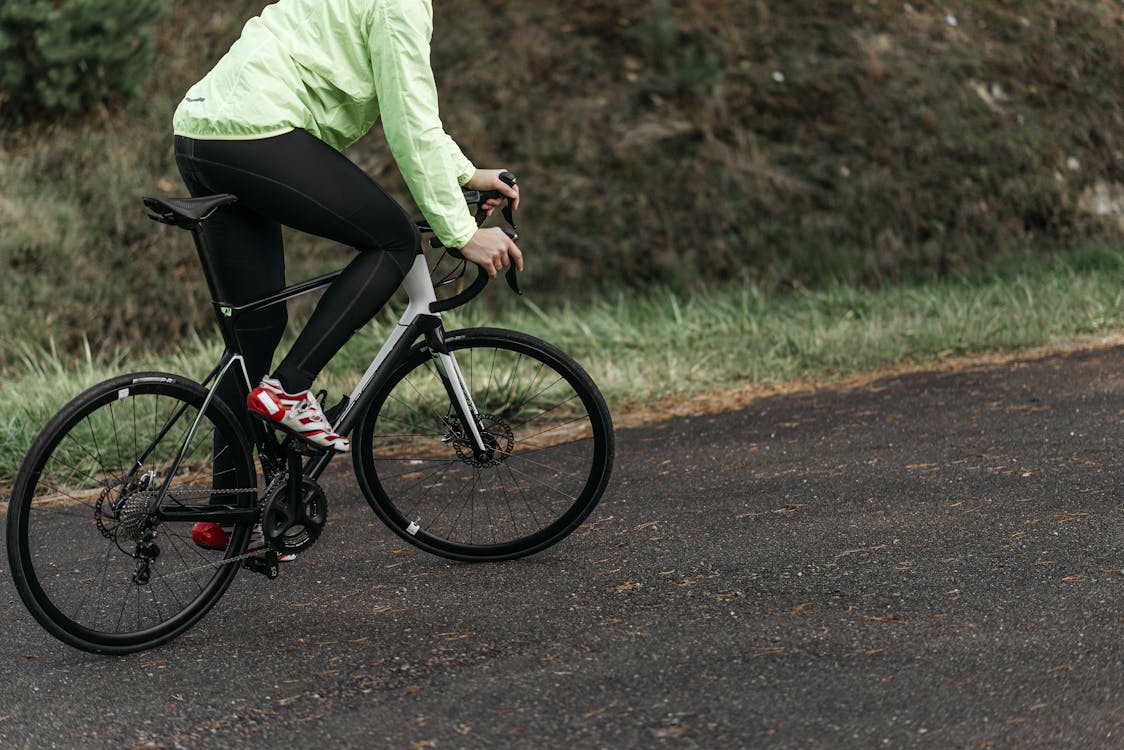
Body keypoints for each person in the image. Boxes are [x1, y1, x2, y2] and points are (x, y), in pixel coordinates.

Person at [172, 0, 521, 553]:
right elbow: (409, 120)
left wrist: (465, 172)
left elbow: (408, 111)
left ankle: (225, 507)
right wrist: (459, 232)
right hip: (259, 129)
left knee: (255, 332)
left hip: (202, 131)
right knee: (394, 239)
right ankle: (289, 390)